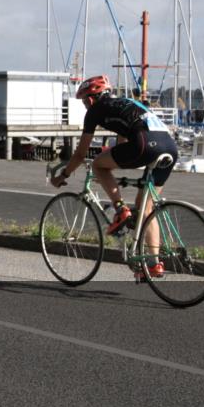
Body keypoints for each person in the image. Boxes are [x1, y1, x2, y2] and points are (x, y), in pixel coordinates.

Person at [50, 74, 178, 278]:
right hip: (170, 147)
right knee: (146, 208)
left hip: (145, 144)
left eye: (84, 101)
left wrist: (63, 175)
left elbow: (80, 154)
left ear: (91, 98)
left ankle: (120, 210)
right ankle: (153, 264)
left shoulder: (95, 111)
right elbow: (123, 142)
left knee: (98, 165)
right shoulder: (125, 103)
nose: (84, 106)